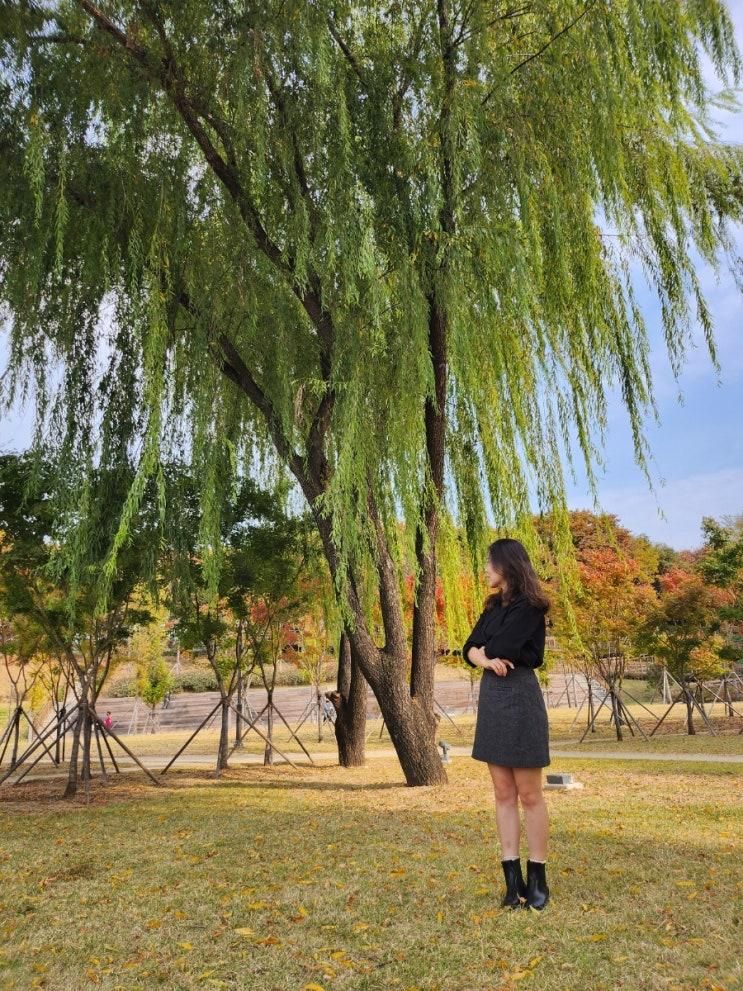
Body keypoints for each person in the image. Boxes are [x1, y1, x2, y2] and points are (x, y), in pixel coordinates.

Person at [462, 537, 551, 911]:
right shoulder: (492, 606)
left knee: (529, 794)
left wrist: (485, 650)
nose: (485, 570)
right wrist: (482, 658)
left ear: (507, 565)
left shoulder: (531, 607)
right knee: (502, 793)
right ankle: (511, 881)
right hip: (494, 698)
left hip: (520, 694)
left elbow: (504, 646)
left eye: (489, 563)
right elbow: (469, 646)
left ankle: (538, 877)